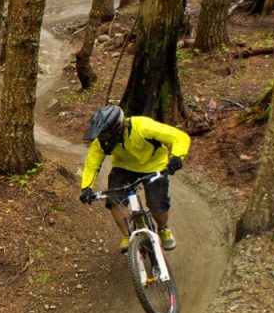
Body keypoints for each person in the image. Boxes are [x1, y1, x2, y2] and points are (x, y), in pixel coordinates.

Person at [78, 105, 191, 252]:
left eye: (105, 134)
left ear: (117, 128)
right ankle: (128, 236)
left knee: (157, 204)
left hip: (154, 166)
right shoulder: (102, 142)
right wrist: (86, 188)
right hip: (123, 168)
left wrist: (177, 156)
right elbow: (91, 164)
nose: (103, 138)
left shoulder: (143, 126)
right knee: (114, 200)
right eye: (101, 134)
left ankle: (163, 229)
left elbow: (179, 136)